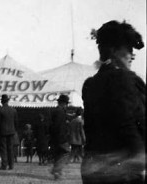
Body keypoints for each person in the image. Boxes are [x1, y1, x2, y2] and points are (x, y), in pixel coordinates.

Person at [81, 20, 145, 184]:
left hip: (92, 170)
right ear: (114, 50)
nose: (132, 55)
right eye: (128, 49)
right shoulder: (127, 80)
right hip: (125, 170)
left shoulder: (89, 84)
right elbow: (133, 123)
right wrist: (139, 154)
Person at [49, 94, 71, 180]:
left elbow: (52, 125)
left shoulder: (54, 110)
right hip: (61, 137)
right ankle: (55, 170)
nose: (66, 106)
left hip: (54, 137)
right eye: (66, 104)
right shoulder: (60, 112)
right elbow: (58, 126)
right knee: (66, 152)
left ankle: (57, 175)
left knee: (58, 155)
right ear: (64, 103)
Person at [0, 94, 18, 170]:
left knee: (3, 149)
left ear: (2, 102)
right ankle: (11, 165)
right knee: (10, 149)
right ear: (8, 101)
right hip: (11, 132)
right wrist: (14, 130)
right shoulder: (14, 110)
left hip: (2, 132)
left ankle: (4, 165)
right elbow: (16, 122)